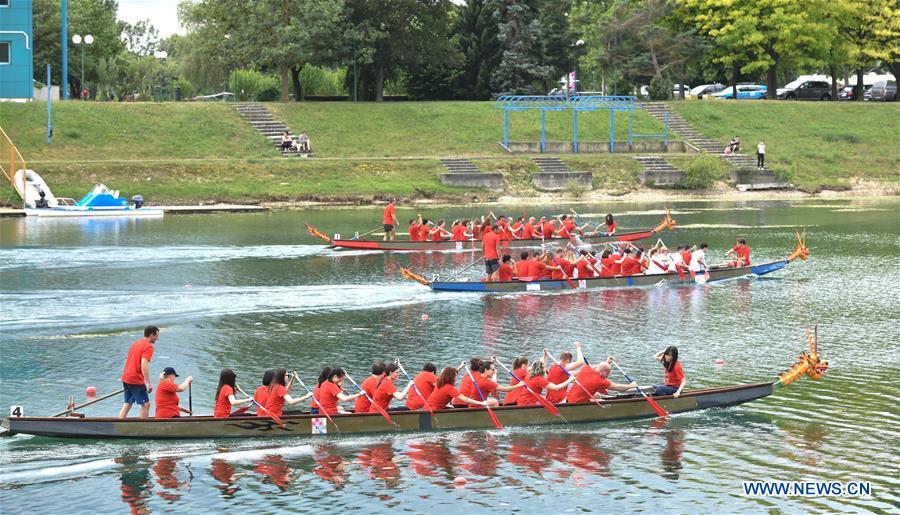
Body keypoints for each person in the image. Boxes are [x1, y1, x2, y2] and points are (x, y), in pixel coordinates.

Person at [119, 325, 159, 419]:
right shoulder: (148, 347)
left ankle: (119, 424)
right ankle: (143, 426)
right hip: (135, 379)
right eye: (156, 335)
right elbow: (144, 365)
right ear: (151, 335)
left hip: (126, 377)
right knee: (146, 405)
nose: (157, 338)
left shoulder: (135, 344)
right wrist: (148, 383)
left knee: (128, 403)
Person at [565, 358, 636, 403]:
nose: (607, 376)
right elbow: (618, 387)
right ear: (603, 372)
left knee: (597, 395)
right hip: (576, 403)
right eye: (607, 373)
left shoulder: (586, 368)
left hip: (569, 398)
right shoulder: (600, 381)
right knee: (603, 401)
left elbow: (598, 366)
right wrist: (631, 386)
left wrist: (607, 362)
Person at [425, 366, 491, 411]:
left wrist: (461, 366)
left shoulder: (440, 383)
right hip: (432, 411)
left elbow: (444, 374)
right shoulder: (449, 388)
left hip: (427, 407)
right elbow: (465, 399)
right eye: (455, 376)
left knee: (451, 408)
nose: (456, 378)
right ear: (450, 377)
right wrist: (481, 403)